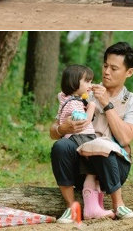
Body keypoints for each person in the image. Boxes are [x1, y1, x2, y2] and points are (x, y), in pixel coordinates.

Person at [50, 42, 133, 223]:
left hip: (113, 168)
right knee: (61, 146)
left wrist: (107, 104)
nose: (106, 72)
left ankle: (119, 205)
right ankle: (71, 207)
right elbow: (53, 130)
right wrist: (62, 129)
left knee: (101, 146)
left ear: (129, 72)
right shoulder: (85, 91)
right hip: (81, 166)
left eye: (114, 68)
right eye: (105, 66)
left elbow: (125, 138)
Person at [55, 64, 115, 220]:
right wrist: (92, 106)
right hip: (80, 139)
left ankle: (93, 206)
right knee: (91, 167)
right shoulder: (75, 103)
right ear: (75, 83)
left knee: (92, 171)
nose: (90, 85)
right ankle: (86, 207)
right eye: (87, 82)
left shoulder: (66, 99)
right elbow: (85, 120)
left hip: (75, 139)